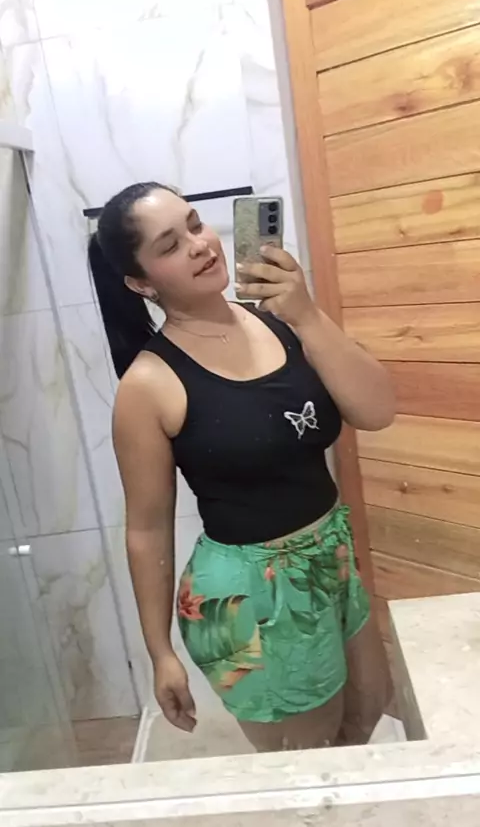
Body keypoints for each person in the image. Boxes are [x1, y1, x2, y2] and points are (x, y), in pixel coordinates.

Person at [89, 181, 395, 752]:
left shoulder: (281, 321)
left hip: (330, 560)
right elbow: (146, 529)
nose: (200, 244)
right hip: (248, 597)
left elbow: (377, 411)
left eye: (195, 224)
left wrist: (306, 314)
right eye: (170, 245)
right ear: (141, 283)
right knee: (304, 760)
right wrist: (160, 652)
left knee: (368, 708)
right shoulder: (148, 385)